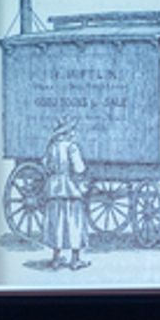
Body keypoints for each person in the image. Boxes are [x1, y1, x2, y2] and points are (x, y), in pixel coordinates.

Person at [42, 116, 90, 270]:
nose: (74, 132)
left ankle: (56, 259)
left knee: (57, 222)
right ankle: (75, 260)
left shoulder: (52, 147)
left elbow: (45, 165)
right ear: (67, 132)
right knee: (73, 222)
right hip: (70, 188)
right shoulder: (72, 147)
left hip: (54, 188)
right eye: (72, 130)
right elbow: (79, 168)